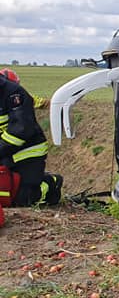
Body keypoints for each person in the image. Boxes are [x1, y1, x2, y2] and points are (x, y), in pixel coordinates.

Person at [0, 68, 62, 206]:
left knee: (23, 199)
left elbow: (21, 130)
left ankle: (52, 183)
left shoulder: (13, 93)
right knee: (4, 192)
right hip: (4, 151)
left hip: (28, 152)